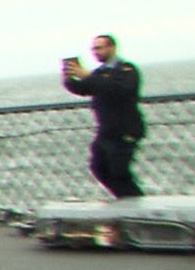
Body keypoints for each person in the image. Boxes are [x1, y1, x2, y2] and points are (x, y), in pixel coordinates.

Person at [62, 34, 146, 198]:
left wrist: (89, 77)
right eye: (94, 49)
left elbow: (120, 90)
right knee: (99, 167)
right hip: (106, 131)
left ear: (111, 48)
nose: (95, 52)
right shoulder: (99, 73)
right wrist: (69, 79)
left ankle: (135, 202)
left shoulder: (126, 70)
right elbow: (83, 89)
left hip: (125, 130)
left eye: (99, 48)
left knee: (119, 171)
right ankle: (126, 200)